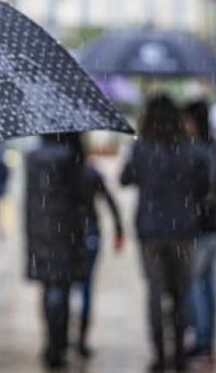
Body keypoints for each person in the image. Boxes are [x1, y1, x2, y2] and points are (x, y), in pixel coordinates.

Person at [121, 95, 210, 373]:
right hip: (183, 230)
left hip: (150, 231)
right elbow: (205, 185)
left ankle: (159, 356)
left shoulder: (141, 149)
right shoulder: (192, 149)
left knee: (155, 293)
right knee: (180, 295)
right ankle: (180, 356)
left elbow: (125, 178)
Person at [25, 133, 88, 369]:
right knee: (61, 287)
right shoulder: (70, 156)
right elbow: (81, 195)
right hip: (66, 230)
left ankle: (50, 342)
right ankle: (58, 343)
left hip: (39, 229)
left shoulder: (32, 157)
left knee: (48, 285)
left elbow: (30, 197)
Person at [184, 101, 216, 362]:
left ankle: (201, 340)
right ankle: (208, 340)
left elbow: (200, 191)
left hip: (201, 227)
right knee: (208, 283)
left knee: (196, 284)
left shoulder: (197, 150)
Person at [76, 141, 125, 358]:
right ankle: (81, 340)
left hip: (64, 236)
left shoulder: (58, 171)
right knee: (86, 287)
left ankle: (60, 338)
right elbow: (110, 201)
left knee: (65, 286)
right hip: (90, 233)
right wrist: (119, 230)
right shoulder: (91, 172)